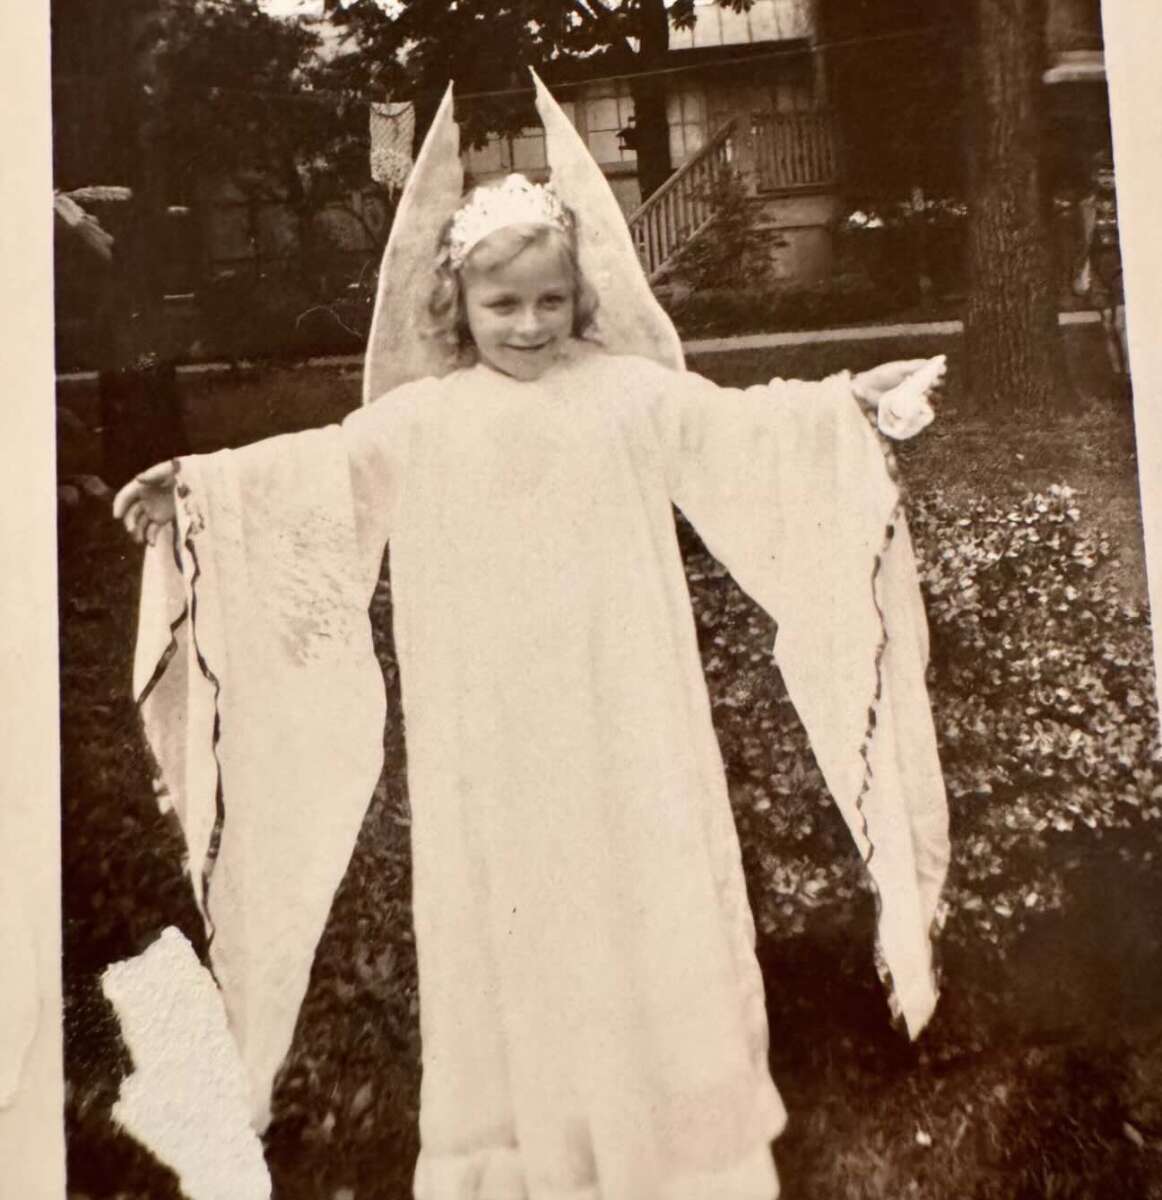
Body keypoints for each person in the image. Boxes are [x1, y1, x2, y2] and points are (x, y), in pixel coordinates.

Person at [113, 77, 949, 1200]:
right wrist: (199, 493)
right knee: (519, 917)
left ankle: (679, 1139)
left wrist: (849, 398)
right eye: (503, 307)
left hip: (626, 708)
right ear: (456, 307)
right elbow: (319, 475)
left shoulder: (626, 395)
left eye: (550, 302)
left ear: (579, 296)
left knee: (641, 894)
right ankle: (516, 1151)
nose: (530, 325)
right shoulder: (423, 418)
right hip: (494, 725)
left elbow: (745, 429)